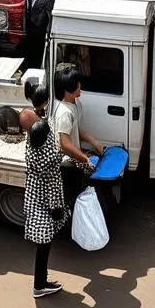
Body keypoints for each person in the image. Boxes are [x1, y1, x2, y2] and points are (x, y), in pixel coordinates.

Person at [24, 115, 68, 299]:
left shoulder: (31, 148)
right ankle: (39, 285)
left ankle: (41, 281)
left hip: (33, 197)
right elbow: (53, 187)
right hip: (46, 203)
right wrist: (57, 209)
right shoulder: (50, 159)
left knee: (43, 244)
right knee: (44, 243)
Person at [50, 67, 105, 210]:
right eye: (78, 84)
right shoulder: (63, 113)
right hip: (66, 163)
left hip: (74, 159)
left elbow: (74, 128)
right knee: (72, 198)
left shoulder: (74, 103)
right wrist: (84, 159)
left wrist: (93, 141)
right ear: (68, 89)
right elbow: (65, 143)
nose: (80, 86)